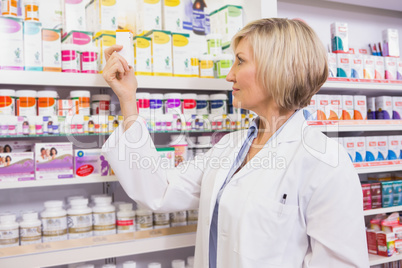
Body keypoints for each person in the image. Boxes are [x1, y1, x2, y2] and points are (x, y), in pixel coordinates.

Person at [102, 18, 368, 267]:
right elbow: (160, 190)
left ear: (277, 69)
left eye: (240, 62)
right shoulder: (229, 146)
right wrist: (128, 99)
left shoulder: (325, 163)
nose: (230, 75)